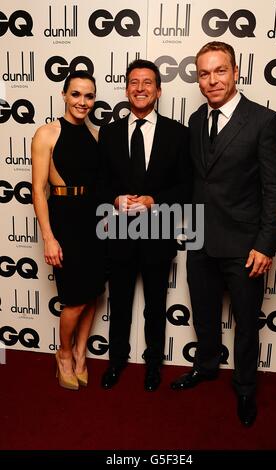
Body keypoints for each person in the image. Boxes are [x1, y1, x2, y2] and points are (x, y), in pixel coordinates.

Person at [170, 42, 276, 426]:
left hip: (245, 247)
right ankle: (205, 368)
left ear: (236, 72)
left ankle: (245, 388)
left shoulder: (263, 121)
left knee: (245, 324)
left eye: (219, 71)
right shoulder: (195, 120)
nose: (211, 80)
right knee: (204, 316)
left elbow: (275, 190)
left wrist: (265, 244)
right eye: (204, 73)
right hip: (201, 240)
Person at [98, 59, 191, 391]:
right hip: (119, 233)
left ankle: (154, 365)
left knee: (155, 306)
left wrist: (153, 200)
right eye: (134, 82)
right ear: (126, 90)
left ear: (159, 90)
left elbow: (186, 187)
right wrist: (114, 199)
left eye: (147, 82)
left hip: (158, 233)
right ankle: (116, 362)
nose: (140, 88)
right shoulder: (108, 133)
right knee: (119, 304)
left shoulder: (178, 134)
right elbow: (99, 183)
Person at [32, 70, 106, 390]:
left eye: (89, 96)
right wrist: (49, 237)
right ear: (64, 95)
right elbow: (38, 191)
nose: (82, 102)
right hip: (64, 219)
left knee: (92, 295)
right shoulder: (47, 133)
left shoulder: (97, 135)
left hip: (94, 221)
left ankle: (80, 353)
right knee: (74, 299)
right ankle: (63, 354)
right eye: (76, 94)